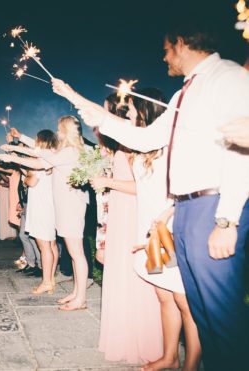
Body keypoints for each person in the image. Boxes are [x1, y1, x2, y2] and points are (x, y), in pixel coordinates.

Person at [53, 22, 249, 370]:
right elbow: (145, 140)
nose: (163, 55)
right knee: (201, 310)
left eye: (167, 47)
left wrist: (227, 219)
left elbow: (241, 151)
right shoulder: (183, 93)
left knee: (220, 314)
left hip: (212, 206)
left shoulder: (228, 78)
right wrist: (75, 99)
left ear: (184, 43)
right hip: (184, 209)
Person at [126, 89, 201, 371]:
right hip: (148, 227)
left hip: (170, 226)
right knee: (163, 293)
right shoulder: (142, 145)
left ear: (146, 109)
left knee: (184, 298)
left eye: (132, 108)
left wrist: (166, 214)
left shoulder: (172, 144)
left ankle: (191, 364)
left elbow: (184, 184)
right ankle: (170, 356)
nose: (128, 112)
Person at [4, 117, 90, 310]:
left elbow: (40, 160)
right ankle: (77, 293)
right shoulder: (65, 151)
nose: (58, 133)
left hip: (70, 207)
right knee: (73, 253)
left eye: (60, 130)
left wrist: (13, 154)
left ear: (67, 131)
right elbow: (40, 151)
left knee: (77, 254)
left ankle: (81, 298)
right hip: (65, 207)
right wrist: (19, 143)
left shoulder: (70, 151)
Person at [0, 130, 59, 294]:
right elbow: (31, 162)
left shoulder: (43, 160)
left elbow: (31, 180)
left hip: (41, 207)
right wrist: (17, 145)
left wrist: (13, 157)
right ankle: (51, 279)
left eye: (37, 141)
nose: (35, 143)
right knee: (51, 244)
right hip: (48, 206)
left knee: (44, 245)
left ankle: (46, 281)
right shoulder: (51, 157)